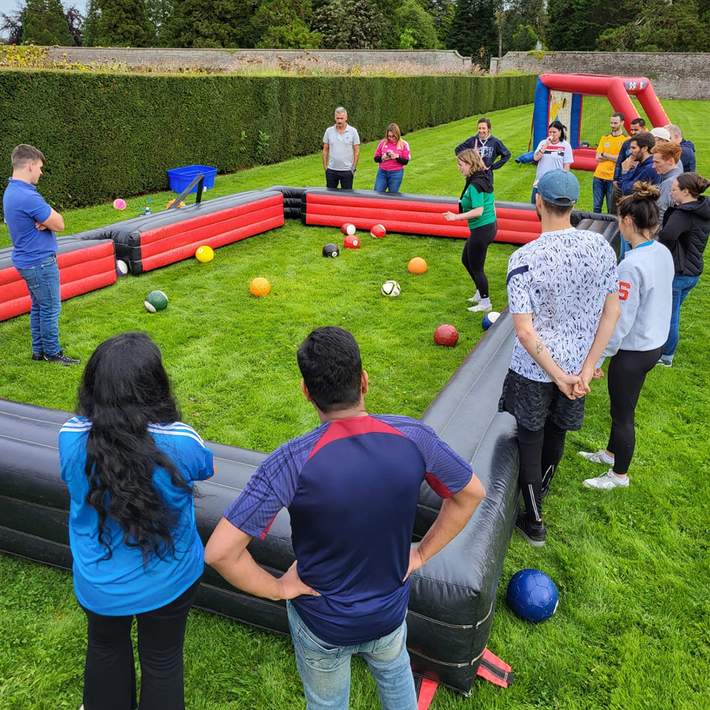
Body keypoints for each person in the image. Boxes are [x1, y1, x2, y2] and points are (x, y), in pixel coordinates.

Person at [205, 326, 485, 710]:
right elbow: (471, 494)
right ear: (364, 381)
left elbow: (220, 552)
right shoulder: (415, 438)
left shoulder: (290, 462)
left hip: (323, 623)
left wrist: (279, 589)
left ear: (306, 392)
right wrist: (420, 554)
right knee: (396, 673)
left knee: (328, 703)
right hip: (387, 613)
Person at [58, 332, 214, 710]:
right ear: (156, 386)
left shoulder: (70, 437)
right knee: (162, 660)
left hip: (100, 581)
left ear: (93, 386)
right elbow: (205, 467)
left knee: (105, 647)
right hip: (170, 579)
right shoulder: (182, 443)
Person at [499, 170, 620, 546]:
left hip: (537, 369)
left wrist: (556, 374)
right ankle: (538, 502)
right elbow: (611, 312)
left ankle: (533, 520)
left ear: (539, 202)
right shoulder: (601, 247)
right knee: (556, 435)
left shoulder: (524, 258)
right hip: (576, 367)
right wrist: (584, 370)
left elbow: (524, 331)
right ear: (572, 205)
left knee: (531, 439)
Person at [579, 184, 674, 490]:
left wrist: (599, 357)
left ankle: (619, 475)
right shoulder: (661, 251)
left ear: (628, 222)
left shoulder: (630, 266)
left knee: (623, 413)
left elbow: (619, 319)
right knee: (621, 405)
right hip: (653, 341)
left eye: (620, 218)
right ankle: (610, 454)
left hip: (635, 350)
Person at [2, 144, 79, 365]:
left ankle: (39, 352)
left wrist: (46, 223)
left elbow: (49, 222)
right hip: (39, 262)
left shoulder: (12, 191)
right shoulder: (27, 196)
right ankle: (53, 354)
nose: (41, 173)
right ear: (29, 165)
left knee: (38, 306)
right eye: (39, 167)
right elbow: (60, 223)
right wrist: (49, 222)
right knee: (50, 308)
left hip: (27, 260)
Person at [657, 173, 710, 367]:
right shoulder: (703, 208)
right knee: (673, 312)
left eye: (674, 189)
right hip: (693, 271)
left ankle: (666, 356)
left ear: (686, 192)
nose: (671, 192)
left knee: (670, 316)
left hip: (679, 273)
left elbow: (667, 236)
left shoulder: (683, 214)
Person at [442, 149, 497, 314]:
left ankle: (486, 301)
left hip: (482, 229)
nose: (459, 168)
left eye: (461, 164)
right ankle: (480, 292)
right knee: (466, 259)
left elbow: (479, 210)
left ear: (469, 164)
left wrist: (455, 217)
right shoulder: (480, 177)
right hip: (485, 227)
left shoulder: (475, 184)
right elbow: (491, 203)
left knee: (477, 267)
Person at [454, 117, 511, 183]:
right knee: (472, 192)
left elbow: (507, 155)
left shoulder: (495, 142)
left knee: (487, 192)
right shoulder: (472, 140)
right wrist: (470, 157)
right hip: (473, 175)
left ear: (489, 129)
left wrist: (492, 167)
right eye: (479, 128)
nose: (481, 131)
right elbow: (458, 150)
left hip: (487, 175)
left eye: (483, 128)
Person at [530, 120, 573, 204]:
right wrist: (546, 145)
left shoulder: (565, 145)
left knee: (551, 209)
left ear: (560, 132)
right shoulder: (543, 143)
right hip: (540, 181)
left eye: (554, 132)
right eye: (550, 132)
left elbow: (566, 166)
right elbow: (535, 158)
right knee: (534, 207)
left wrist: (562, 182)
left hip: (555, 183)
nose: (552, 134)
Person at [593, 112, 627, 213]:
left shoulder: (625, 140)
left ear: (622, 123)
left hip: (613, 178)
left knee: (611, 208)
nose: (612, 125)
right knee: (596, 207)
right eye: (611, 123)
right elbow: (598, 158)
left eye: (615, 123)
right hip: (598, 176)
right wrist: (614, 157)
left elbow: (621, 159)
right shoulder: (604, 138)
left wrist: (606, 155)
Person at [322, 107, 360, 190]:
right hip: (331, 170)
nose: (339, 121)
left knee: (347, 198)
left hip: (347, 171)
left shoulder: (353, 131)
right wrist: (326, 168)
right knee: (330, 197)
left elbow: (356, 151)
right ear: (334, 118)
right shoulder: (329, 131)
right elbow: (325, 150)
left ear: (346, 118)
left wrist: (353, 168)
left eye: (341, 118)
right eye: (337, 118)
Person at [613, 117, 647, 208]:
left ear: (643, 128)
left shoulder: (648, 143)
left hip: (635, 182)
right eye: (631, 130)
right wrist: (615, 179)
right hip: (622, 180)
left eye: (636, 130)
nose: (633, 132)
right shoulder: (627, 143)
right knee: (617, 208)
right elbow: (620, 161)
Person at [373, 123, 411, 193]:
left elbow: (406, 161)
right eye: (389, 136)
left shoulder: (404, 144)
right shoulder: (382, 143)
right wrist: (382, 158)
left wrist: (397, 157)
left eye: (393, 136)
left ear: (397, 135)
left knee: (392, 195)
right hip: (382, 172)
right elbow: (375, 158)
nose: (391, 138)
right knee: (377, 193)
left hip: (396, 173)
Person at [651, 141, 683, 223]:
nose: (653, 166)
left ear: (671, 161)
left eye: (657, 162)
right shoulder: (679, 175)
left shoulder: (669, 183)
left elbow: (660, 214)